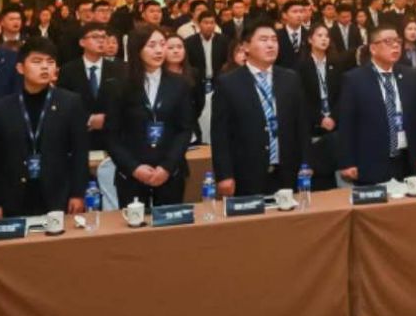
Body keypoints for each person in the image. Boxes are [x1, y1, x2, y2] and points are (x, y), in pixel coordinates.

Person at [0, 37, 89, 219]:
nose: (45, 67)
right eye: (37, 62)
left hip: (58, 195)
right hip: (13, 197)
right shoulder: (1, 108)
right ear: (20, 68)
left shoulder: (70, 102)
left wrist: (78, 194)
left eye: (50, 62)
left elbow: (80, 153)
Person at [211, 20, 307, 198]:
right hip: (246, 173)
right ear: (246, 46)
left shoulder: (290, 79)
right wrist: (224, 175)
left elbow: (301, 125)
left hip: (287, 171)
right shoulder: (228, 83)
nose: (271, 45)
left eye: (274, 40)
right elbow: (220, 135)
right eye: (263, 40)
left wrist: (306, 164)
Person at [107, 25, 196, 207]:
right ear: (137, 49)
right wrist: (134, 168)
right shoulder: (119, 85)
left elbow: (185, 129)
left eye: (162, 44)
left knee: (169, 223)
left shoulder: (180, 84)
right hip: (132, 174)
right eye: (151, 45)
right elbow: (111, 134)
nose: (159, 50)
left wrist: (167, 167)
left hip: (170, 173)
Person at [336, 26, 416, 184]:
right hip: (371, 161)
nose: (395, 45)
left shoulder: (409, 75)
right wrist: (347, 162)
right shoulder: (354, 79)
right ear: (373, 48)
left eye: (398, 41)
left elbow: (415, 118)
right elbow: (347, 124)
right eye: (388, 41)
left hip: (405, 159)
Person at [59, 21, 120, 152]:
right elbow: (62, 105)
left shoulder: (119, 70)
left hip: (112, 139)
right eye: (95, 37)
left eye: (103, 37)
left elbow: (124, 104)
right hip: (78, 138)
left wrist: (107, 119)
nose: (101, 41)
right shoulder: (68, 70)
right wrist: (88, 119)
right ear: (82, 42)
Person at [297, 24, 342, 190]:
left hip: (335, 123)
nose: (324, 39)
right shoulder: (301, 66)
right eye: (319, 35)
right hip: (312, 125)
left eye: (326, 36)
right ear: (310, 39)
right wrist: (320, 118)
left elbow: (342, 95)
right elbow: (301, 99)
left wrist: (334, 117)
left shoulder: (336, 63)